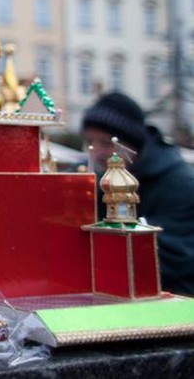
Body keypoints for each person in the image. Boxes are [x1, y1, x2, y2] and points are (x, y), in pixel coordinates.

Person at [82, 91, 194, 295]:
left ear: (133, 144)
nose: (95, 152)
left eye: (107, 143)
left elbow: (165, 259)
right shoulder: (96, 179)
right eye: (90, 142)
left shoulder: (181, 186)